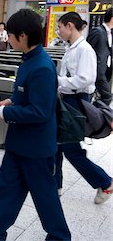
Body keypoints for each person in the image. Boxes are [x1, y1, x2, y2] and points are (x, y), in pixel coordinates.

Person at [0, 9, 71, 241]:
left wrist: (5, 112)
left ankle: (60, 237)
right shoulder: (28, 61)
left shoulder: (42, 66)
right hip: (18, 144)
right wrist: (12, 101)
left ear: (23, 36)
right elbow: (29, 97)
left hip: (36, 149)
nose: (7, 39)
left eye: (10, 35)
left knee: (45, 197)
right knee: (6, 189)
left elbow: (41, 111)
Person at [56, 12, 113, 203]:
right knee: (56, 144)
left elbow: (85, 79)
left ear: (70, 26)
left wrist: (58, 82)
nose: (59, 31)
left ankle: (105, 182)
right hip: (67, 100)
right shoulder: (71, 48)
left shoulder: (85, 49)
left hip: (77, 102)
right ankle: (55, 184)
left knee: (71, 149)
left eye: (60, 27)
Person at [87, 7, 113, 105]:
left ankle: (94, 113)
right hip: (97, 70)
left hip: (106, 70)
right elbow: (88, 50)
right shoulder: (97, 31)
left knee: (101, 95)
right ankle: (97, 115)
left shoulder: (109, 33)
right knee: (107, 96)